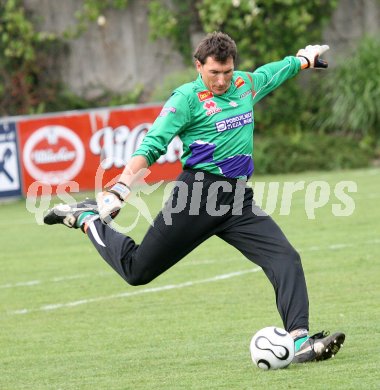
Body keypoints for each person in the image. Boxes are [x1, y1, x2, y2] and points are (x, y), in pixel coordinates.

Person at [44, 32, 345, 363]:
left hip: (236, 201)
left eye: (227, 72)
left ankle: (299, 340)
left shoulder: (244, 84)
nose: (221, 80)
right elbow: (153, 144)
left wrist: (303, 60)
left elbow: (275, 71)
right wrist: (121, 187)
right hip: (197, 196)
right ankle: (88, 220)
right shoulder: (185, 99)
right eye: (214, 72)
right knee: (137, 272)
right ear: (198, 66)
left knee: (286, 258)